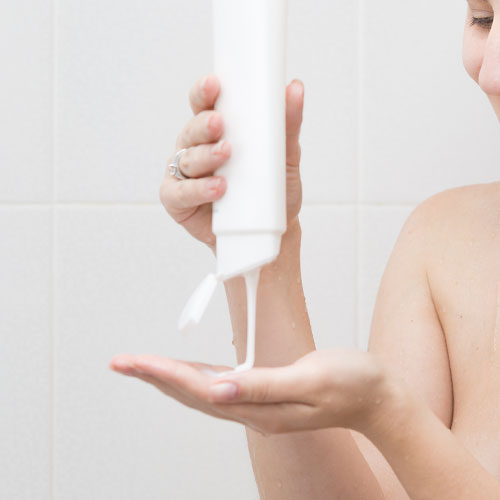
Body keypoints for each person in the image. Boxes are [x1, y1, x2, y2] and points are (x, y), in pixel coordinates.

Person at [109, 1, 500, 498]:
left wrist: (388, 413)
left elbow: (392, 421)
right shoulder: (440, 239)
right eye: (483, 19)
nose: (489, 73)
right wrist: (263, 253)